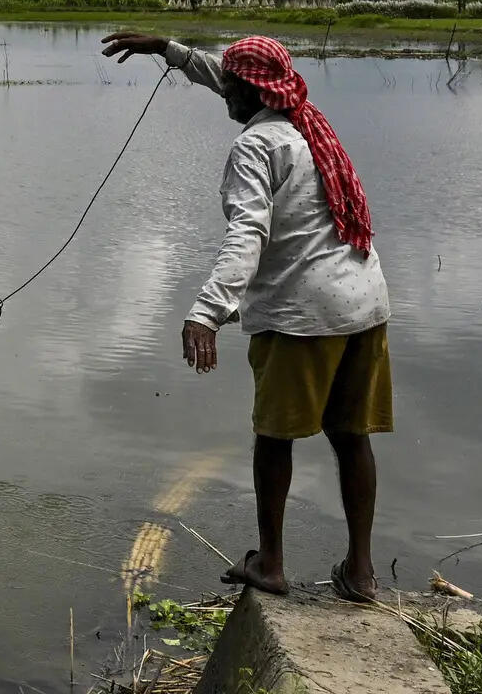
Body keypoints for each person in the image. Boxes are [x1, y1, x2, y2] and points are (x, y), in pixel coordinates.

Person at [102, 31, 392, 602]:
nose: (223, 92)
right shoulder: (306, 123)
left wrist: (205, 313)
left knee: (273, 439)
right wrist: (169, 49)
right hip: (365, 305)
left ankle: (272, 564)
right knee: (351, 437)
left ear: (250, 88)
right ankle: (360, 572)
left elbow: (248, 233)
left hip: (301, 315)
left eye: (230, 85)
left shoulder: (254, 148)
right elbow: (225, 76)